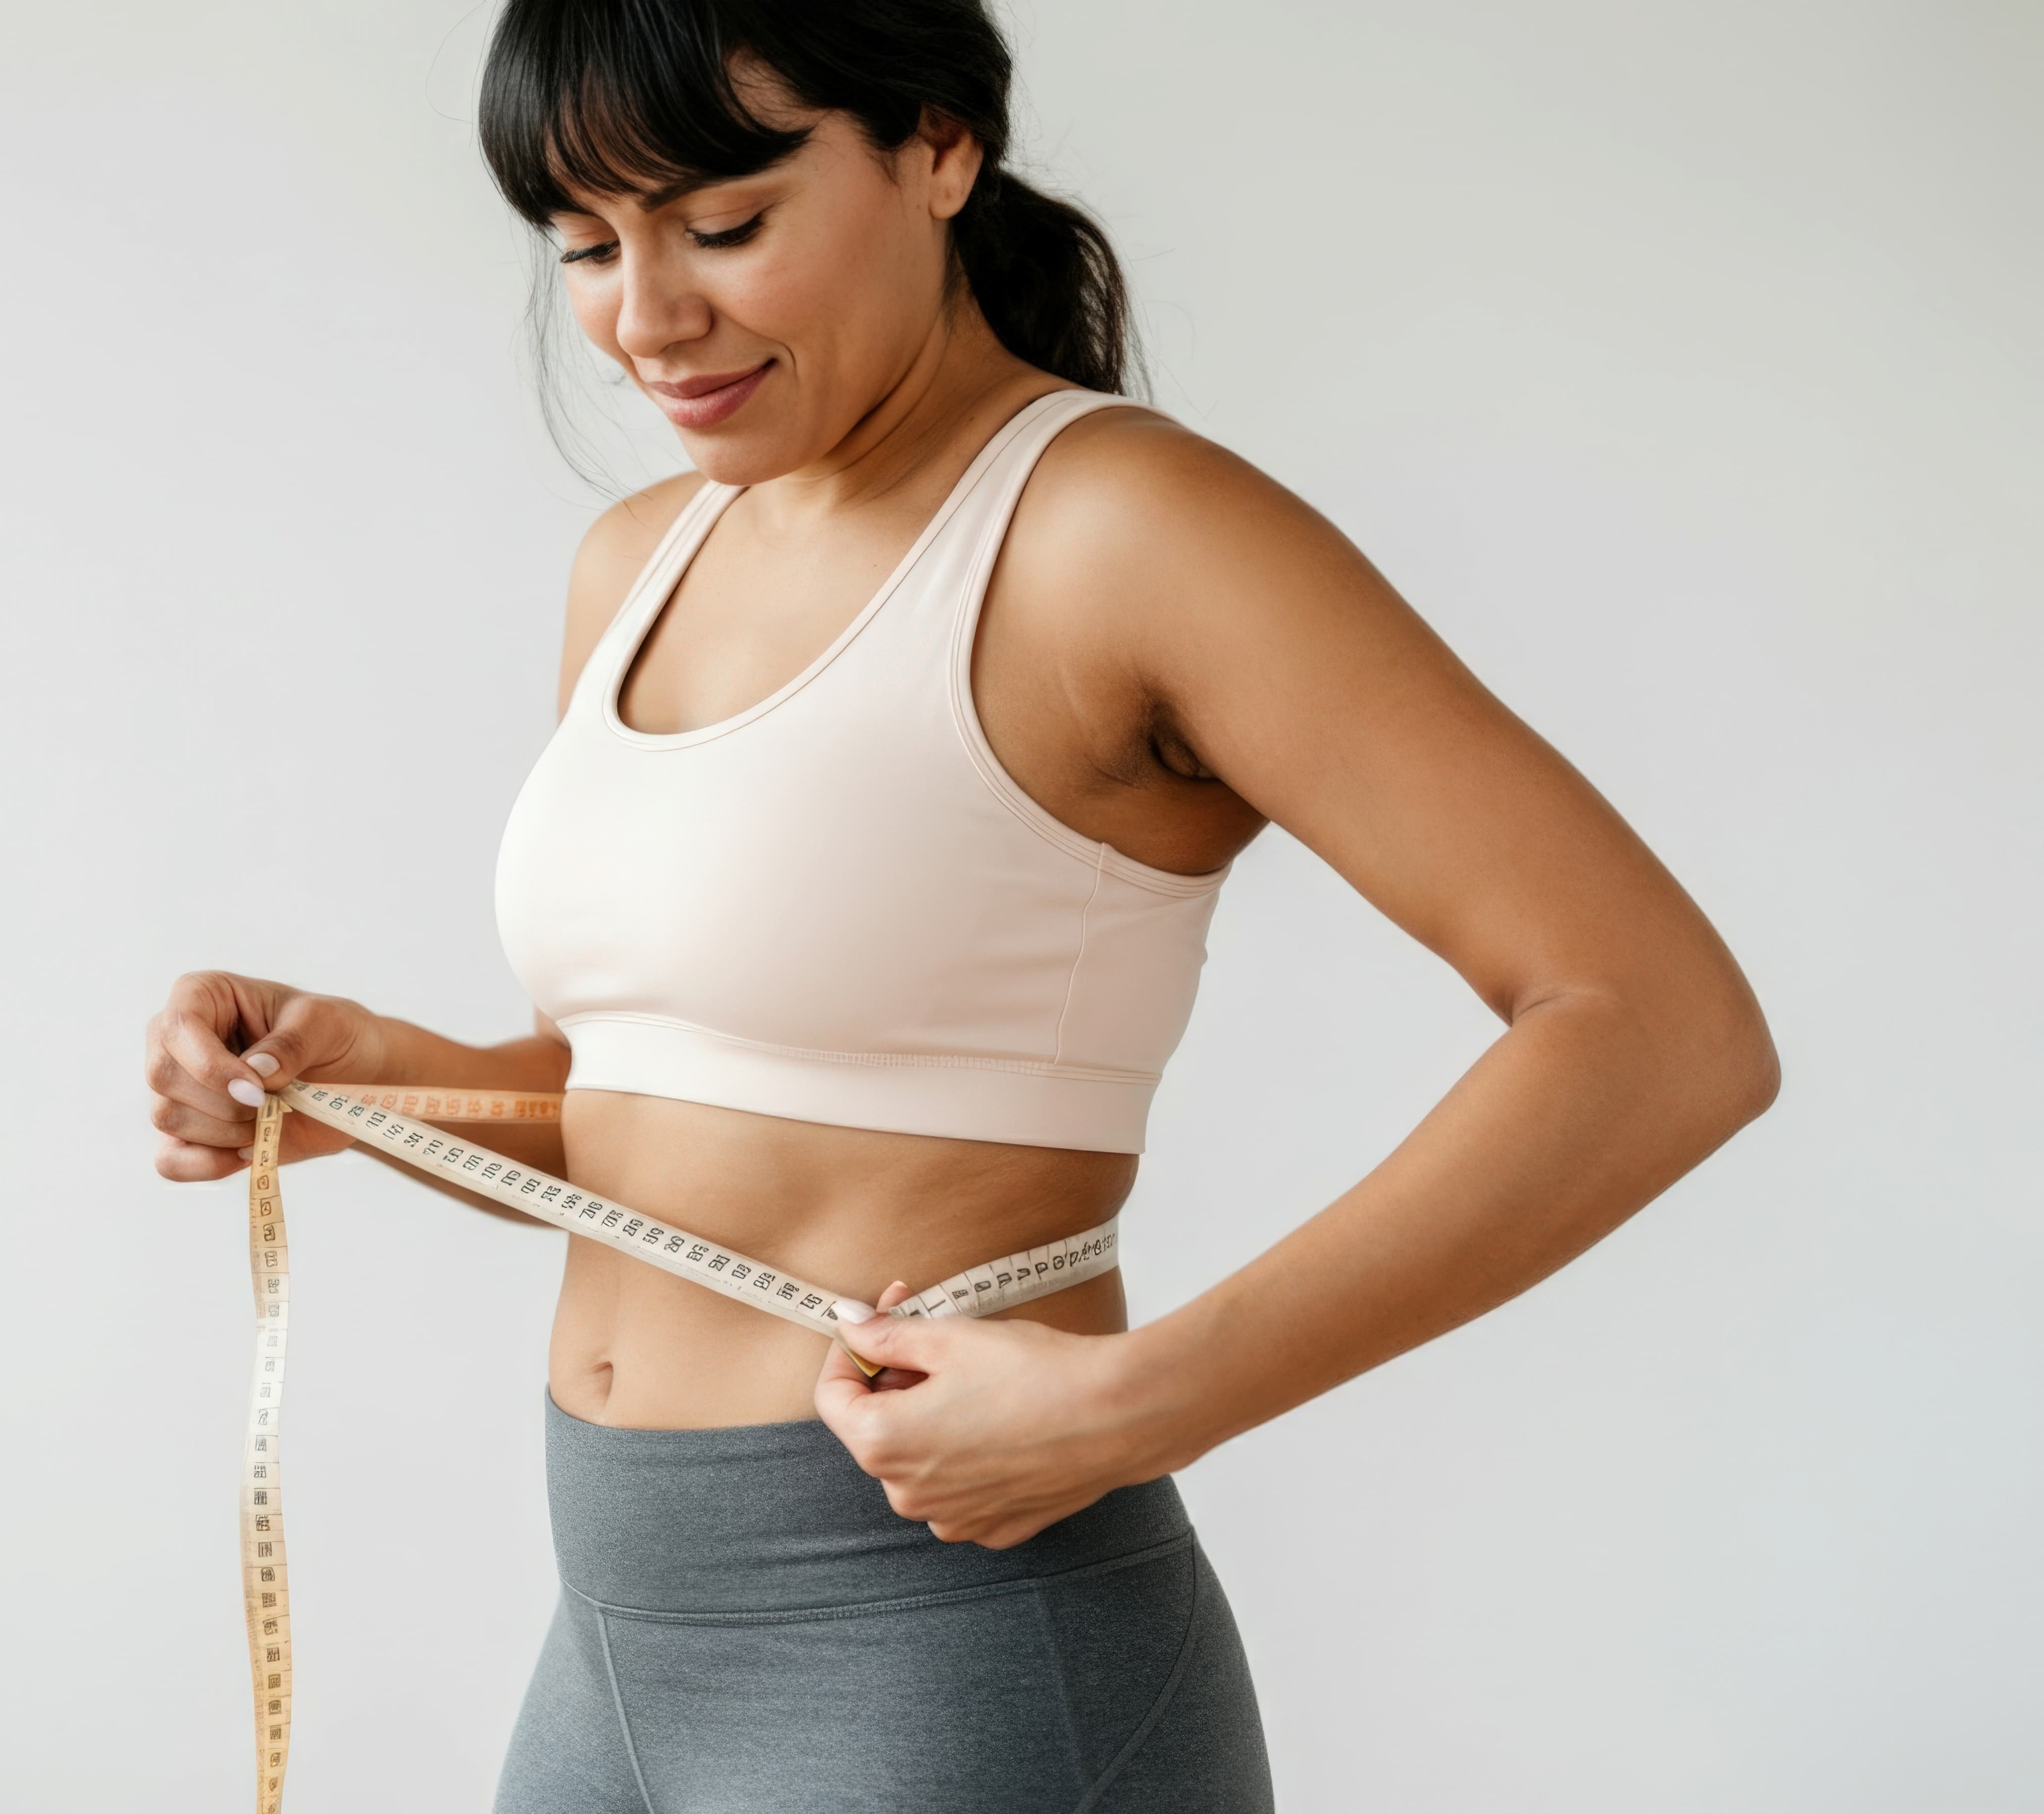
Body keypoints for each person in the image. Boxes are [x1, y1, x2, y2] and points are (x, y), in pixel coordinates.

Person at [143, 2, 1779, 1806]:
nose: (646, 319)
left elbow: (1660, 1027)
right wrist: (378, 1082)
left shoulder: (1124, 534)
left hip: (948, 1651)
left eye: (723, 223)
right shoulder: (641, 560)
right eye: (587, 246)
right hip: (607, 1650)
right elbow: (672, 1113)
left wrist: (1144, 1399)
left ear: (937, 146)